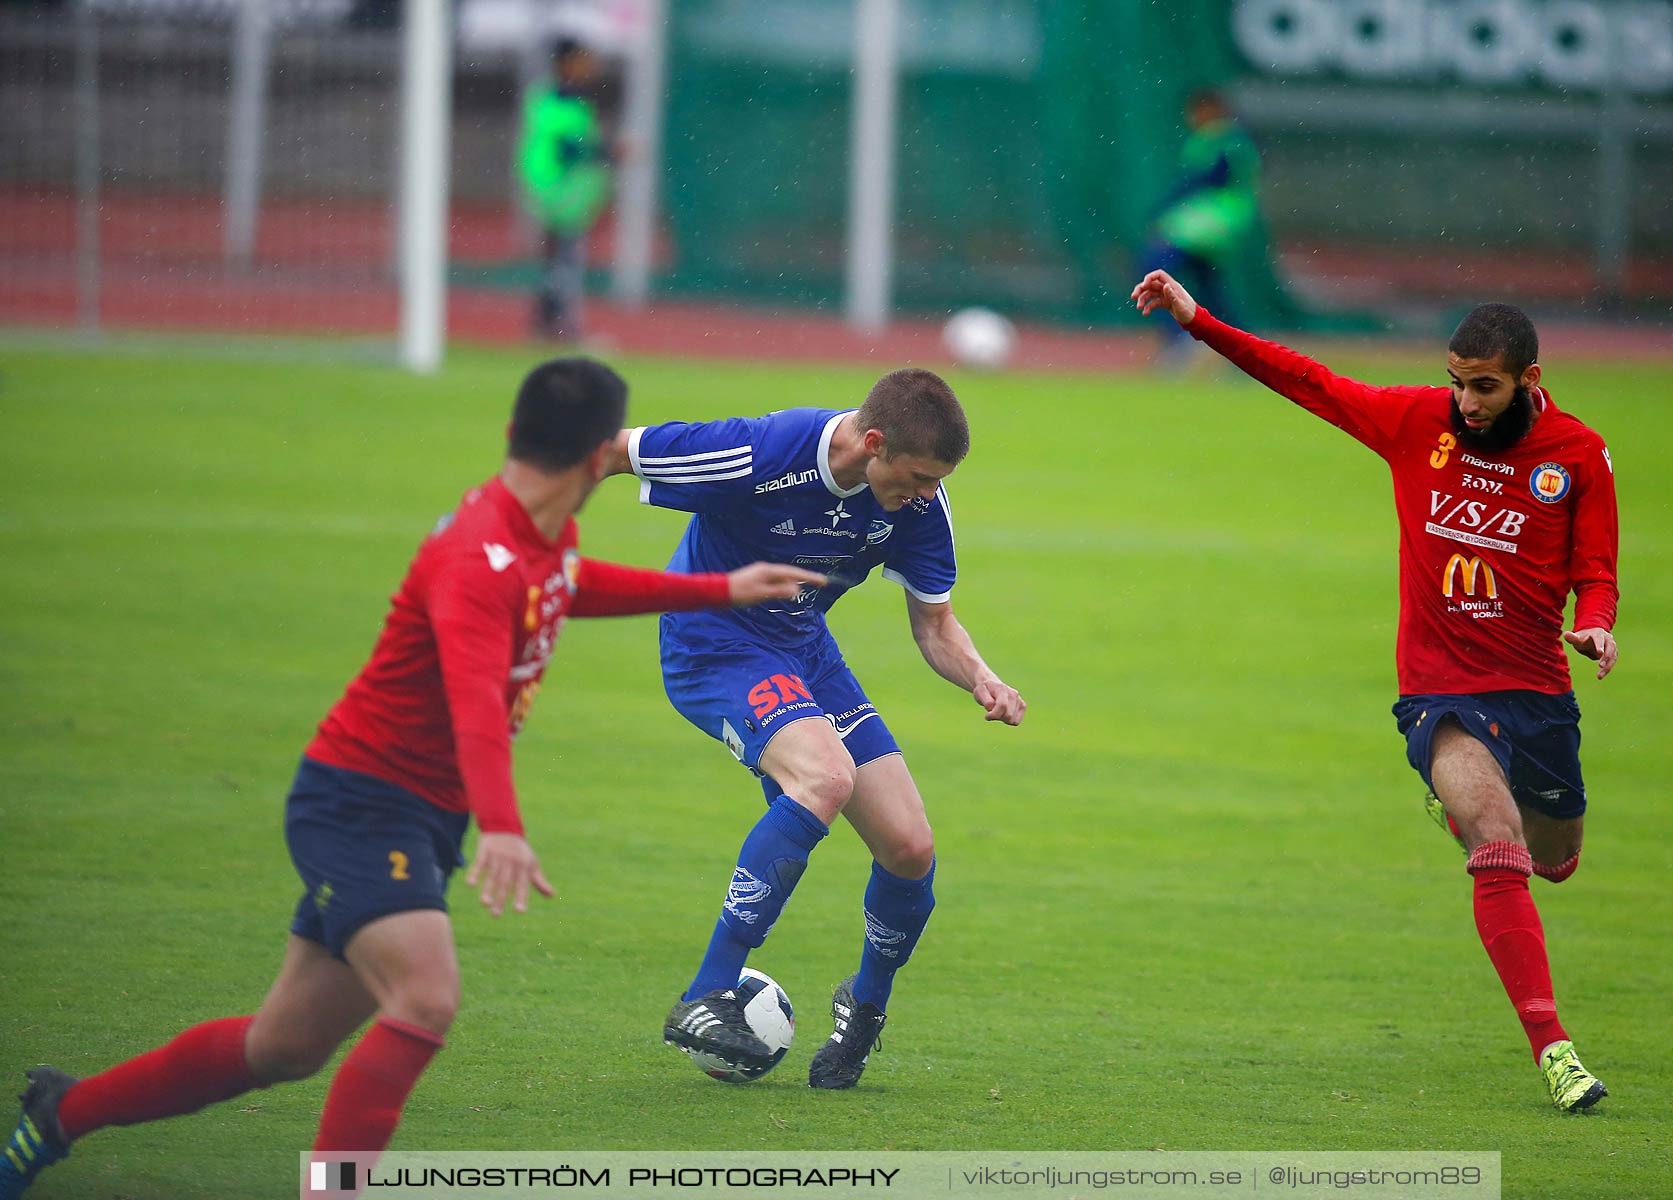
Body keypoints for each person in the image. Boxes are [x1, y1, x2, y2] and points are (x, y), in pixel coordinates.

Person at [0, 359, 822, 1198]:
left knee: (283, 1045)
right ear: (599, 456)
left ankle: (62, 1115)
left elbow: (564, 586)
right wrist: (501, 824)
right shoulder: (476, 559)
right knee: (425, 998)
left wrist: (719, 586)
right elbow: (473, 708)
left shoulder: (537, 529)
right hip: (362, 803)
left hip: (413, 811)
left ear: (516, 435)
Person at [1132, 269, 1619, 1112]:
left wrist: (1599, 621)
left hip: (1536, 689)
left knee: (1554, 859)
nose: (1466, 401)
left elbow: (1596, 569)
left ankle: (1465, 808)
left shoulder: (1576, 455)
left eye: (1485, 387)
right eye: (1458, 381)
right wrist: (1199, 321)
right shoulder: (1415, 421)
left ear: (1528, 382)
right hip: (1440, 690)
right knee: (1497, 844)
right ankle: (1555, 1050)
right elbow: (1308, 381)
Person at [599, 368, 1026, 1088]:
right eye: (917, 477)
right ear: (874, 442)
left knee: (909, 847)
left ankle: (864, 1010)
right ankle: (707, 991)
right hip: (713, 643)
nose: (925, 495)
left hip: (803, 651)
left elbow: (935, 622)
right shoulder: (759, 453)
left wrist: (981, 675)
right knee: (825, 776)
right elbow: (611, 452)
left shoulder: (921, 503)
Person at [1140, 89, 1263, 355]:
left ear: (1210, 110)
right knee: (1209, 287)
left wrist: (1161, 211)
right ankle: (1245, 348)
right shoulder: (1214, 139)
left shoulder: (1227, 139)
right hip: (1210, 225)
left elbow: (1204, 179)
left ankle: (1178, 339)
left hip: (1211, 223)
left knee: (1153, 267)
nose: (1193, 118)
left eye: (1196, 111)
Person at [517, 38, 611, 342]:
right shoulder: (559, 99)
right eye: (584, 59)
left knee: (558, 259)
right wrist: (609, 151)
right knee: (565, 260)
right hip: (559, 191)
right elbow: (569, 147)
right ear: (566, 62)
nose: (591, 67)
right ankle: (560, 326)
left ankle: (549, 324)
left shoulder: (565, 98)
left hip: (562, 190)